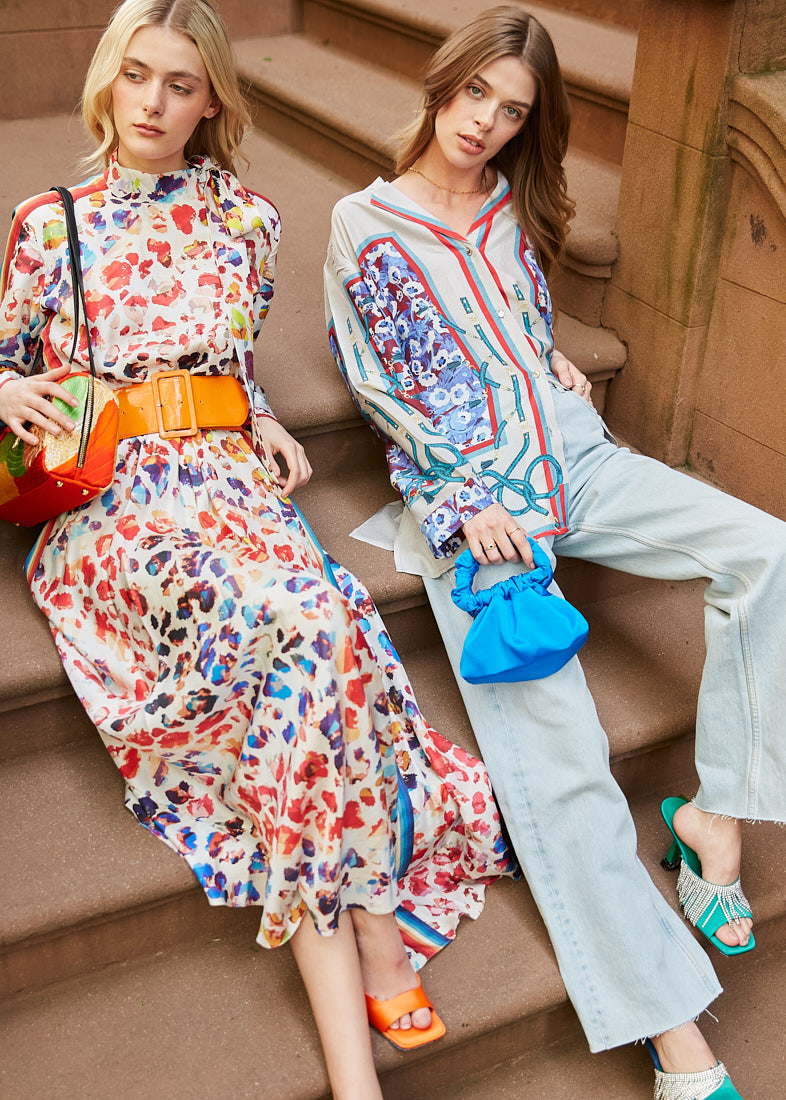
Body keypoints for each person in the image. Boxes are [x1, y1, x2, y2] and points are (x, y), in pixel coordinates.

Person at [0, 3, 516, 1097]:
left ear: (214, 100)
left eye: (179, 84)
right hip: (116, 507)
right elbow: (10, 360)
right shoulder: (53, 225)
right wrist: (5, 382)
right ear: (106, 81)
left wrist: (263, 417)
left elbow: (229, 359)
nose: (152, 103)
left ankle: (351, 1042)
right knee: (306, 629)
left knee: (322, 631)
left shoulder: (248, 220)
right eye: (136, 76)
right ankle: (372, 964)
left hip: (229, 483)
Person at [323, 6, 786, 1098]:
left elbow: (508, 329)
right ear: (443, 84)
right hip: (474, 508)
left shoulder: (503, 207)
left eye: (512, 109)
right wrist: (462, 500)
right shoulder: (366, 223)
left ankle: (714, 810)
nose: (485, 122)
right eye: (476, 92)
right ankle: (680, 1044)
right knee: (563, 764)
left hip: (573, 457)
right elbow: (389, 391)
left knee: (768, 549)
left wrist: (552, 364)